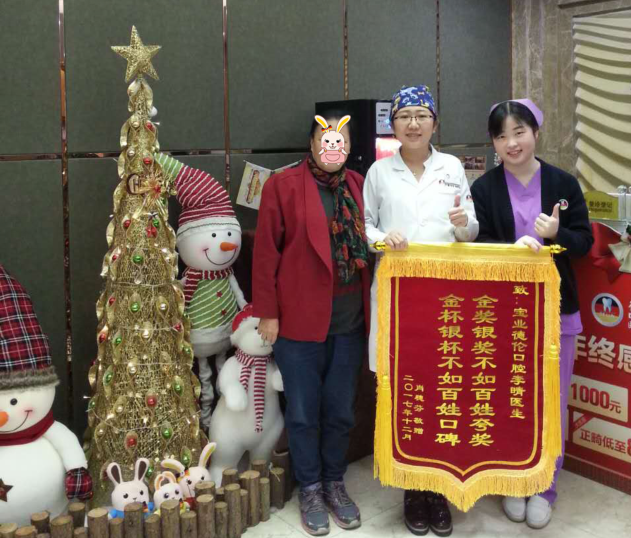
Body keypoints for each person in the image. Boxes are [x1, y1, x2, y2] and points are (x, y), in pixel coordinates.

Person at [470, 99, 593, 529]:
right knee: (508, 397)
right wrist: (509, 249)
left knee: (551, 401)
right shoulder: (484, 189)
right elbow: (479, 244)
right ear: (493, 143)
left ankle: (544, 484)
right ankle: (513, 479)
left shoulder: (563, 184)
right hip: (504, 312)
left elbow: (585, 242)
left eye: (519, 132)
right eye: (501, 136)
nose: (511, 143)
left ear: (535, 133)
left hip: (557, 309)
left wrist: (558, 234)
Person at [364, 85, 479, 537]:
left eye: (421, 115)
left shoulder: (452, 167)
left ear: (434, 122)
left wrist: (464, 225)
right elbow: (364, 224)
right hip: (397, 291)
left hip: (444, 293)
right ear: (393, 125)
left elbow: (470, 228)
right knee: (402, 387)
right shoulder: (379, 171)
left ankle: (438, 487)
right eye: (404, 116)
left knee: (442, 383)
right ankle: (412, 488)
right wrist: (382, 237)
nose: (413, 123)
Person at [252, 111, 370, 536]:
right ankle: (311, 487)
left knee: (340, 410)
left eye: (341, 139)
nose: (333, 146)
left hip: (350, 320)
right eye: (325, 138)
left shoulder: (359, 185)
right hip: (299, 321)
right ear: (312, 143)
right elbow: (266, 253)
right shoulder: (282, 185)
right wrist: (268, 313)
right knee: (303, 413)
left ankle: (334, 481)